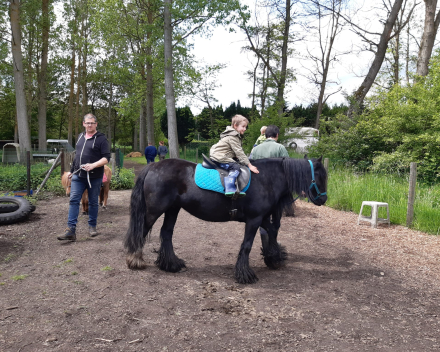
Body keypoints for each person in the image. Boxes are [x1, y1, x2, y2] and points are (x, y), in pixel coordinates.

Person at [57, 113, 111, 241]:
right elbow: (77, 156)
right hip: (78, 176)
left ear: (96, 124)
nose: (90, 125)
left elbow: (106, 158)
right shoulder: (80, 137)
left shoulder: (101, 139)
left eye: (92, 123)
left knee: (93, 202)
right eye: (87, 123)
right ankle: (71, 230)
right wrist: (71, 171)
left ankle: (92, 226)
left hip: (94, 177)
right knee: (74, 200)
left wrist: (93, 165)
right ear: (84, 124)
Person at [210, 114, 259, 197]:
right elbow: (239, 152)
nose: (245, 129)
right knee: (235, 168)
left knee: (237, 162)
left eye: (245, 127)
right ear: (235, 126)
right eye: (243, 126)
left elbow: (230, 150)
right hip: (220, 157)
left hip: (220, 154)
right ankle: (229, 187)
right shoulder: (233, 136)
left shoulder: (233, 135)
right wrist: (250, 165)